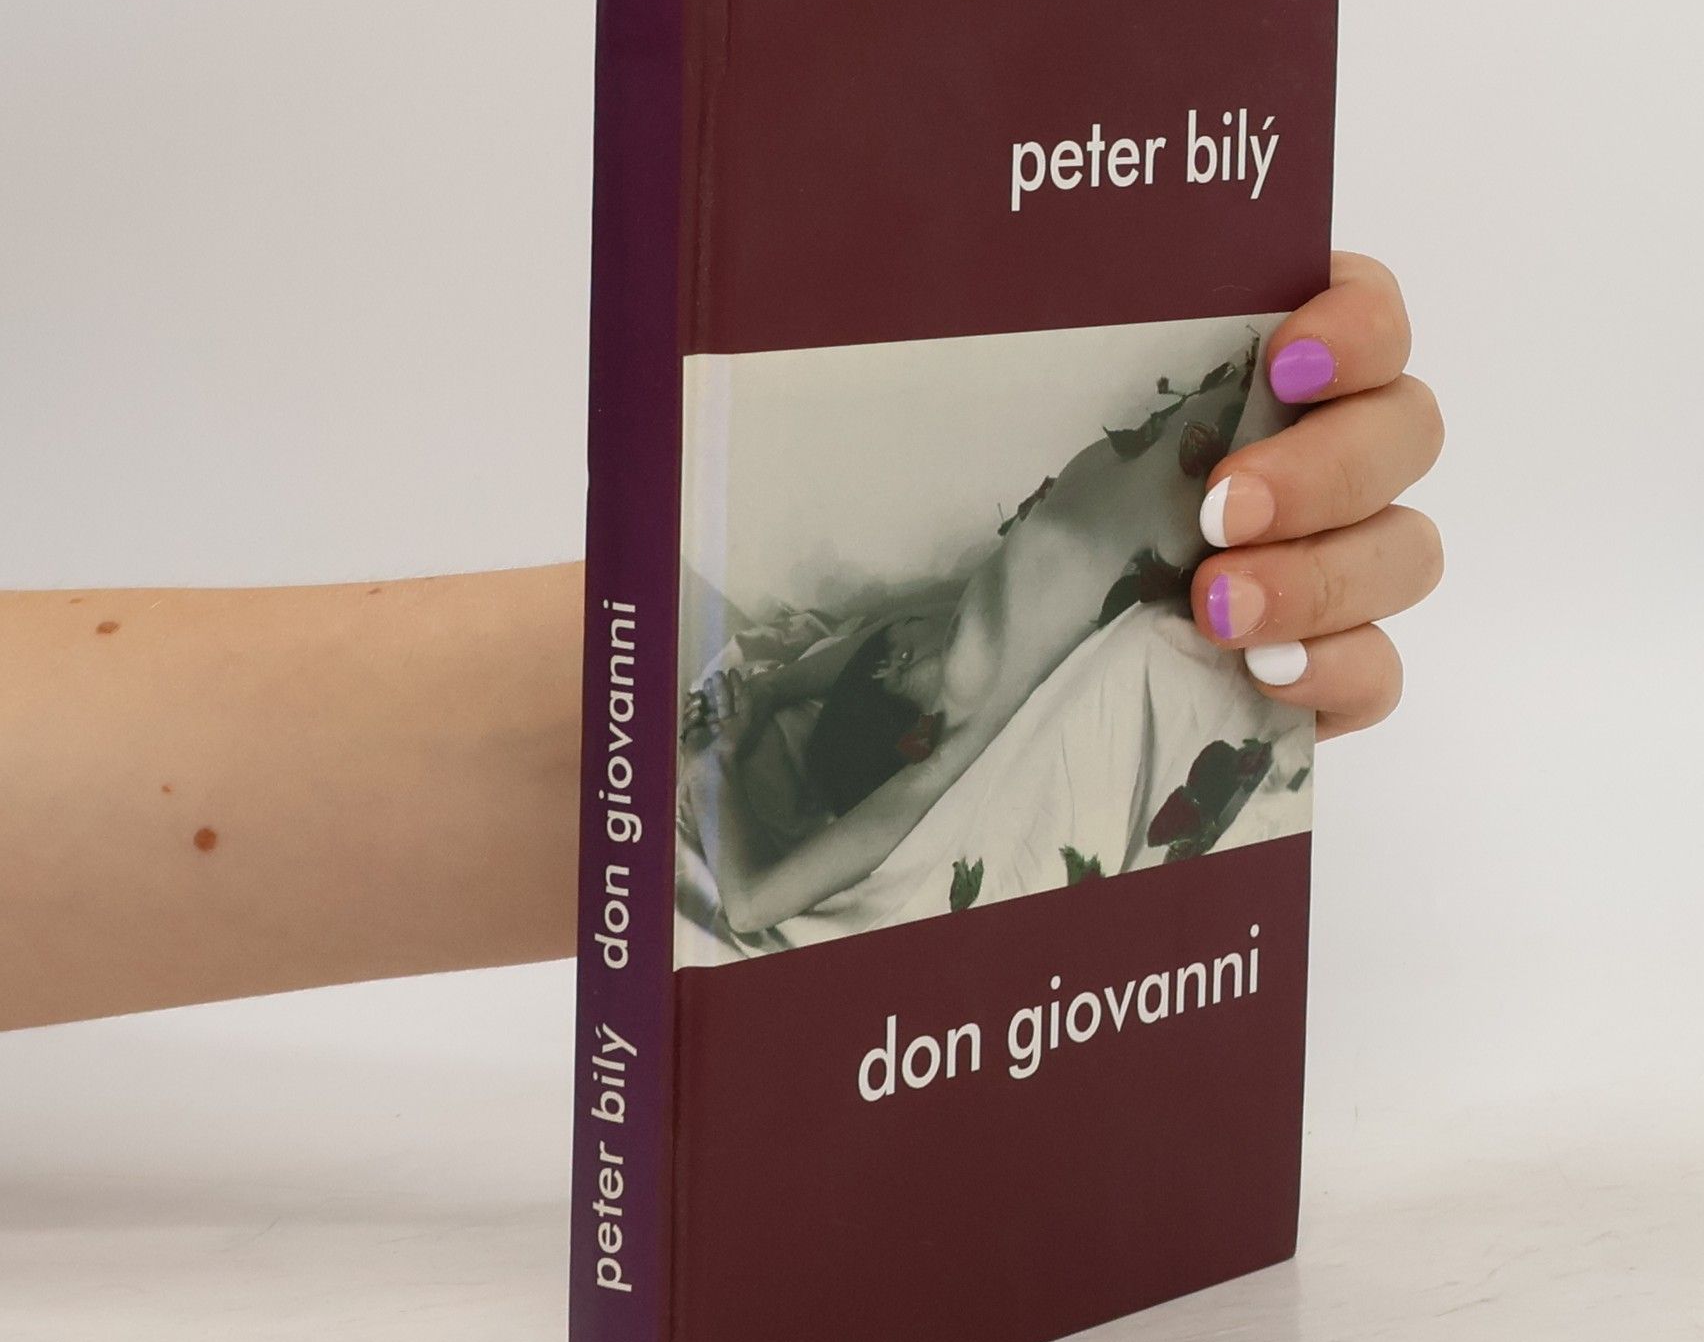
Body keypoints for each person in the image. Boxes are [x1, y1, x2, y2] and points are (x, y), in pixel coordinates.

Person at [0, 254, 1442, 1031]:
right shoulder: (917, 664)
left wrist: (684, 754)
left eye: (1162, 429)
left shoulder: (953, 719)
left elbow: (744, 863)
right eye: (1158, 427)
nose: (1116, 439)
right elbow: (752, 812)